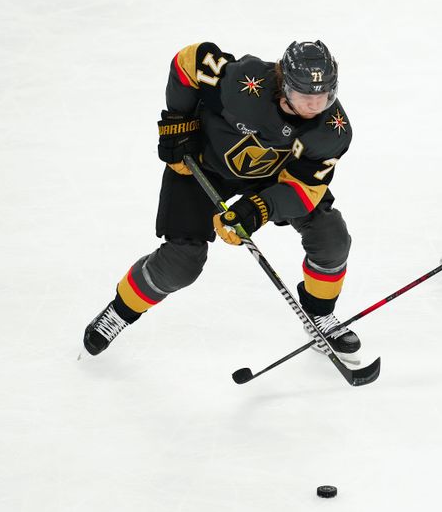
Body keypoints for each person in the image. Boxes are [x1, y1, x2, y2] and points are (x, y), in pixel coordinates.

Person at [83, 40, 362, 364]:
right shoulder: (245, 85)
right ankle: (119, 312)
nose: (315, 105)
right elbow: (190, 62)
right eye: (305, 96)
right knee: (181, 263)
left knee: (331, 237)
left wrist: (258, 209)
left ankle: (319, 316)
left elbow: (304, 189)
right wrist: (178, 122)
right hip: (202, 166)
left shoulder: (332, 131)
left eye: (324, 95)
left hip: (271, 177)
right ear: (284, 85)